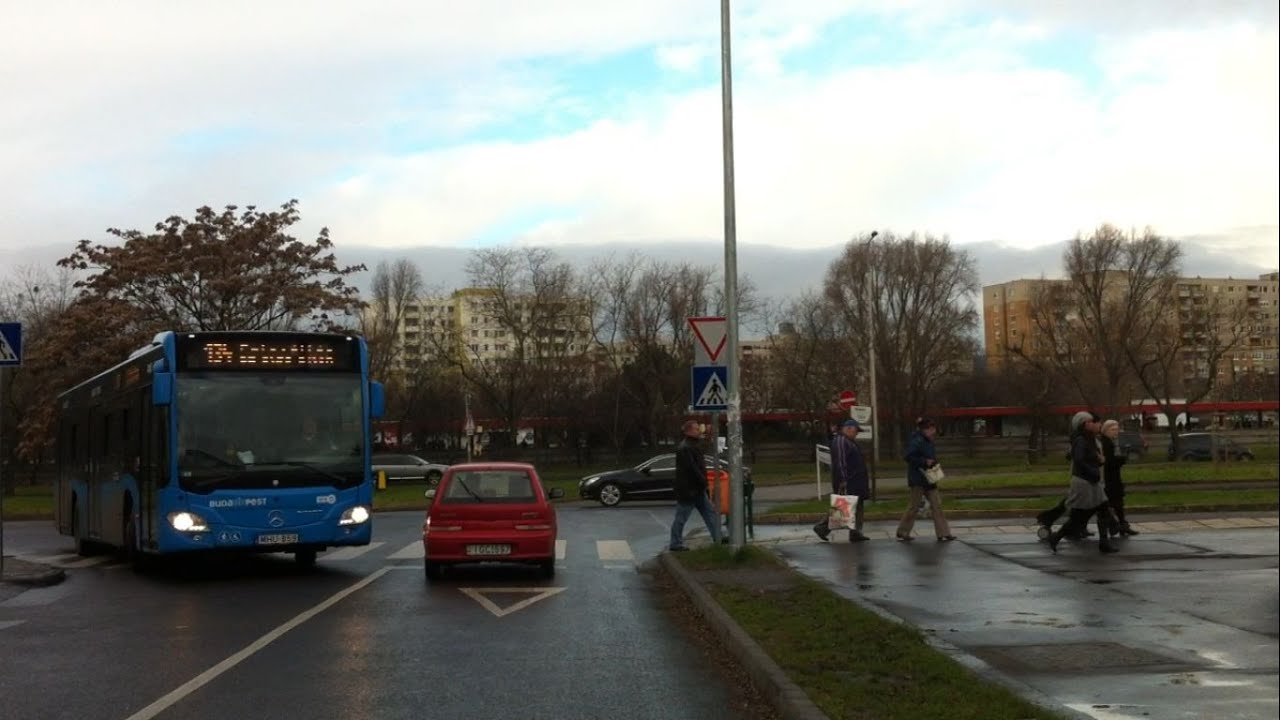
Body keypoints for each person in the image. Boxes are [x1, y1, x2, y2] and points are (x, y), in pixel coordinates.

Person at [1047, 411, 1117, 554]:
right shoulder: (1080, 440)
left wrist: (1098, 461)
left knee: (1103, 509)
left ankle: (1104, 542)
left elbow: (1089, 457)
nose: (1095, 424)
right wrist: (1093, 468)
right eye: (1092, 421)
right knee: (1079, 516)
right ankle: (1056, 537)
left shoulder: (1089, 439)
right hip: (1084, 482)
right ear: (1085, 424)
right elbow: (1078, 459)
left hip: (1092, 481)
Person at [895, 417, 956, 542]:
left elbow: (928, 456)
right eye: (931, 429)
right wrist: (924, 462)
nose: (933, 431)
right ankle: (903, 531)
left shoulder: (926, 440)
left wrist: (933, 462)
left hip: (929, 478)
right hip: (918, 479)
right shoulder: (916, 441)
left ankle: (944, 533)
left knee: (936, 505)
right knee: (914, 506)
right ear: (925, 429)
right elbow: (908, 457)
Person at [813, 418, 870, 542]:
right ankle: (822, 527)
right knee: (843, 506)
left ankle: (856, 532)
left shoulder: (848, 441)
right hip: (849, 479)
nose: (857, 434)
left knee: (856, 505)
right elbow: (840, 461)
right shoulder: (841, 441)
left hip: (856, 479)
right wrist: (843, 478)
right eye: (856, 431)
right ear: (848, 429)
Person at [669, 420, 722, 551]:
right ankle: (675, 543)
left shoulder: (691, 445)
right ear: (689, 431)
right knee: (681, 517)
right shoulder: (686, 448)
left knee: (710, 513)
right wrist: (703, 481)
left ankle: (718, 537)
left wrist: (709, 436)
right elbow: (692, 469)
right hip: (689, 489)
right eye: (696, 429)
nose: (699, 431)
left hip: (696, 489)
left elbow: (701, 451)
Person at [1100, 419, 1137, 537]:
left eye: (1117, 429)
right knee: (1112, 503)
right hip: (1109, 478)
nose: (1116, 432)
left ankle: (1120, 525)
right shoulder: (1106, 443)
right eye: (1113, 429)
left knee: (1116, 503)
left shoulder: (1112, 442)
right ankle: (1118, 525)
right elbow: (1108, 462)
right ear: (1105, 430)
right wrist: (1121, 460)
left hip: (1113, 477)